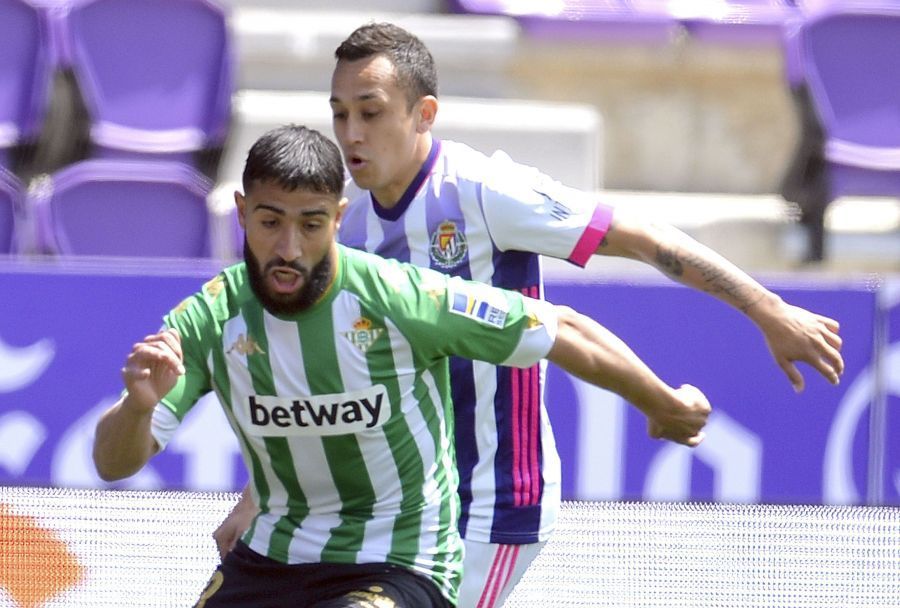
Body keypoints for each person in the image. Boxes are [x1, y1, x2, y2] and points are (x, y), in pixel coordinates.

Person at [213, 23, 846, 608]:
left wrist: (768, 309)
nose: (351, 133)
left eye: (371, 113)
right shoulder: (341, 230)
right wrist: (258, 500)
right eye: (340, 113)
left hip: (492, 505)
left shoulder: (483, 192)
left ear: (423, 113)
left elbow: (644, 240)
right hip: (392, 509)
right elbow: (330, 386)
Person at [92, 125, 711, 608]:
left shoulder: (400, 296)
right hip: (274, 559)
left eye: (310, 225)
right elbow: (113, 463)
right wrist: (139, 407)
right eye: (269, 221)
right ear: (241, 211)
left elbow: (561, 329)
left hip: (398, 563)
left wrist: (659, 401)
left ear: (337, 218)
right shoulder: (208, 318)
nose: (288, 248)